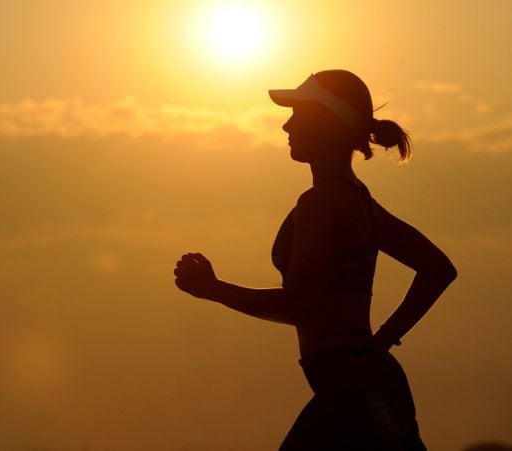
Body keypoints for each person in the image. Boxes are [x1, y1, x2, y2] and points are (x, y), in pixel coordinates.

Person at [173, 70, 457, 450]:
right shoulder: (360, 201)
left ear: (328, 123)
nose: (286, 125)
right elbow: (438, 269)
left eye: (298, 114)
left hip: (352, 395)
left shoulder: (322, 203)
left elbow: (301, 306)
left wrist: (214, 290)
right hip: (367, 387)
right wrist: (382, 340)